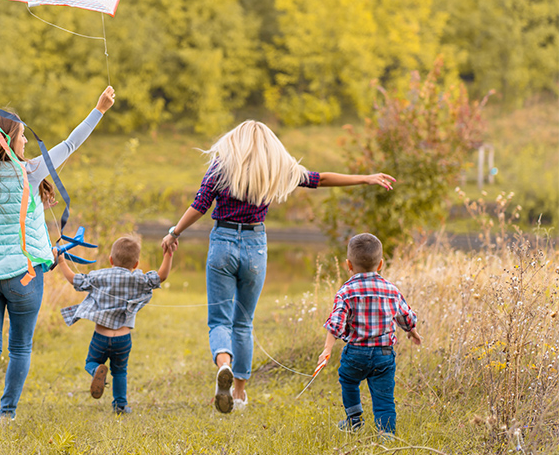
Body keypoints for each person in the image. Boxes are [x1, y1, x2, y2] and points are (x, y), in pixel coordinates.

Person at [161, 120, 397, 414]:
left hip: (222, 241)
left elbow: (201, 203)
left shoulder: (222, 166)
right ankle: (239, 394)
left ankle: (224, 364)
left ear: (237, 141)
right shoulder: (276, 168)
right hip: (255, 245)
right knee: (244, 322)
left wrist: (175, 232)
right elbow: (319, 179)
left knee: (220, 320)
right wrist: (365, 178)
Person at [0, 86, 116, 420]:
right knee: (20, 346)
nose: (26, 141)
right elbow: (71, 144)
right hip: (22, 276)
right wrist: (99, 108)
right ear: (8, 141)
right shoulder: (28, 171)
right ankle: (6, 413)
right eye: (22, 136)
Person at [317, 232, 422, 434]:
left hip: (356, 353)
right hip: (384, 355)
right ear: (381, 264)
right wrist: (412, 332)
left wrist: (327, 350)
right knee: (384, 397)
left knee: (348, 380)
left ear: (348, 265)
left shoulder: (346, 291)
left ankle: (354, 420)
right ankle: (387, 435)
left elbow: (335, 324)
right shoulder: (391, 290)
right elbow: (405, 316)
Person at [56, 236, 173, 414]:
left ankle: (96, 371)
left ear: (111, 260)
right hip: (123, 339)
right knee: (119, 372)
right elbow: (161, 277)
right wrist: (168, 254)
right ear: (136, 264)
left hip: (100, 337)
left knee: (91, 361)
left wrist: (62, 261)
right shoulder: (138, 279)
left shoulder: (99, 276)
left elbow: (75, 280)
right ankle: (120, 405)